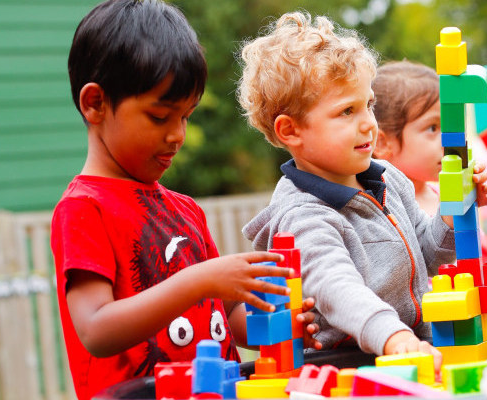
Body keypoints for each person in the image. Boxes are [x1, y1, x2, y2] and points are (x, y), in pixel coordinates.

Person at [51, 2, 320, 399]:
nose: (177, 134)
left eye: (186, 116)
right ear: (95, 104)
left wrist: (280, 325)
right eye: (160, 117)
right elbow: (95, 329)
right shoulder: (84, 208)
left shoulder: (185, 209)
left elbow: (226, 316)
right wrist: (198, 281)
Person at [237, 12, 487, 372]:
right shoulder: (302, 214)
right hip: (348, 368)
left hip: (414, 351)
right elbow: (337, 289)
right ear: (291, 131)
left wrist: (452, 214)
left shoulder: (388, 179)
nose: (368, 123)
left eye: (369, 104)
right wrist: (393, 337)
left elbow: (426, 254)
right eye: (347, 111)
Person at [371, 60, 442, 216]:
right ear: (382, 143)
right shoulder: (384, 211)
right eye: (433, 128)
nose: (449, 140)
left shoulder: (444, 195)